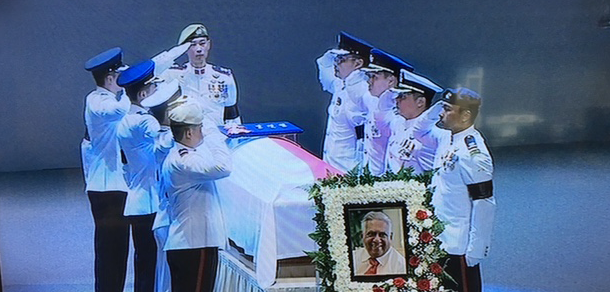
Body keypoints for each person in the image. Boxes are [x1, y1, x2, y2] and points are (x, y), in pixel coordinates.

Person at [414, 88, 495, 292]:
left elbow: (484, 203)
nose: (442, 113)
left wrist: (476, 249)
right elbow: (418, 130)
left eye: (448, 109)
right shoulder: (448, 140)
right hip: (440, 238)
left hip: (459, 245)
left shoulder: (473, 154)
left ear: (466, 115)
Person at [116, 60, 179, 292]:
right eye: (153, 88)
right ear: (143, 93)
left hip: (137, 199)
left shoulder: (125, 120)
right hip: (150, 203)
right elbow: (163, 145)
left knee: (144, 263)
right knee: (151, 265)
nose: (157, 92)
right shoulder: (145, 121)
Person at [161, 101, 232, 292]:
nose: (203, 132)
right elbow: (223, 168)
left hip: (188, 244)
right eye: (200, 128)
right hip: (194, 244)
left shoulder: (182, 155)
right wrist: (215, 137)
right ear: (189, 133)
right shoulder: (184, 161)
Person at [83, 47, 131, 292]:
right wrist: (130, 93)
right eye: (121, 78)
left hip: (116, 185)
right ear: (110, 78)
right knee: (110, 253)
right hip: (106, 188)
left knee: (118, 252)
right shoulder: (98, 101)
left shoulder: (111, 98)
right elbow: (115, 112)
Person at [158, 23, 241, 126]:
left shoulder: (224, 77)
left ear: (209, 45)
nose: (198, 49)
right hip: (185, 136)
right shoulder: (172, 74)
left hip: (216, 136)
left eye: (202, 43)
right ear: (184, 49)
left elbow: (231, 115)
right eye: (193, 45)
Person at [316, 32, 372, 173]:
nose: (336, 64)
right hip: (331, 161)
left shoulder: (364, 91)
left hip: (350, 167)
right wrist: (331, 56)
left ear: (358, 63)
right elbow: (324, 68)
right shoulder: (341, 84)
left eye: (341, 60)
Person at [359, 48, 414, 175]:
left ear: (390, 81)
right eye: (369, 76)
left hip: (385, 181)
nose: (369, 81)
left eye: (375, 77)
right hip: (366, 176)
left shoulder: (398, 114)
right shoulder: (373, 102)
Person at [384, 70, 444, 174]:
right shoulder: (397, 124)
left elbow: (433, 172)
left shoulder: (431, 132)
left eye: (403, 96)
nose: (397, 100)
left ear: (420, 102)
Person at [352, 211, 406, 276]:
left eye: (382, 235)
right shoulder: (353, 258)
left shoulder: (401, 266)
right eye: (371, 234)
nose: (377, 240)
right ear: (362, 236)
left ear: (390, 237)